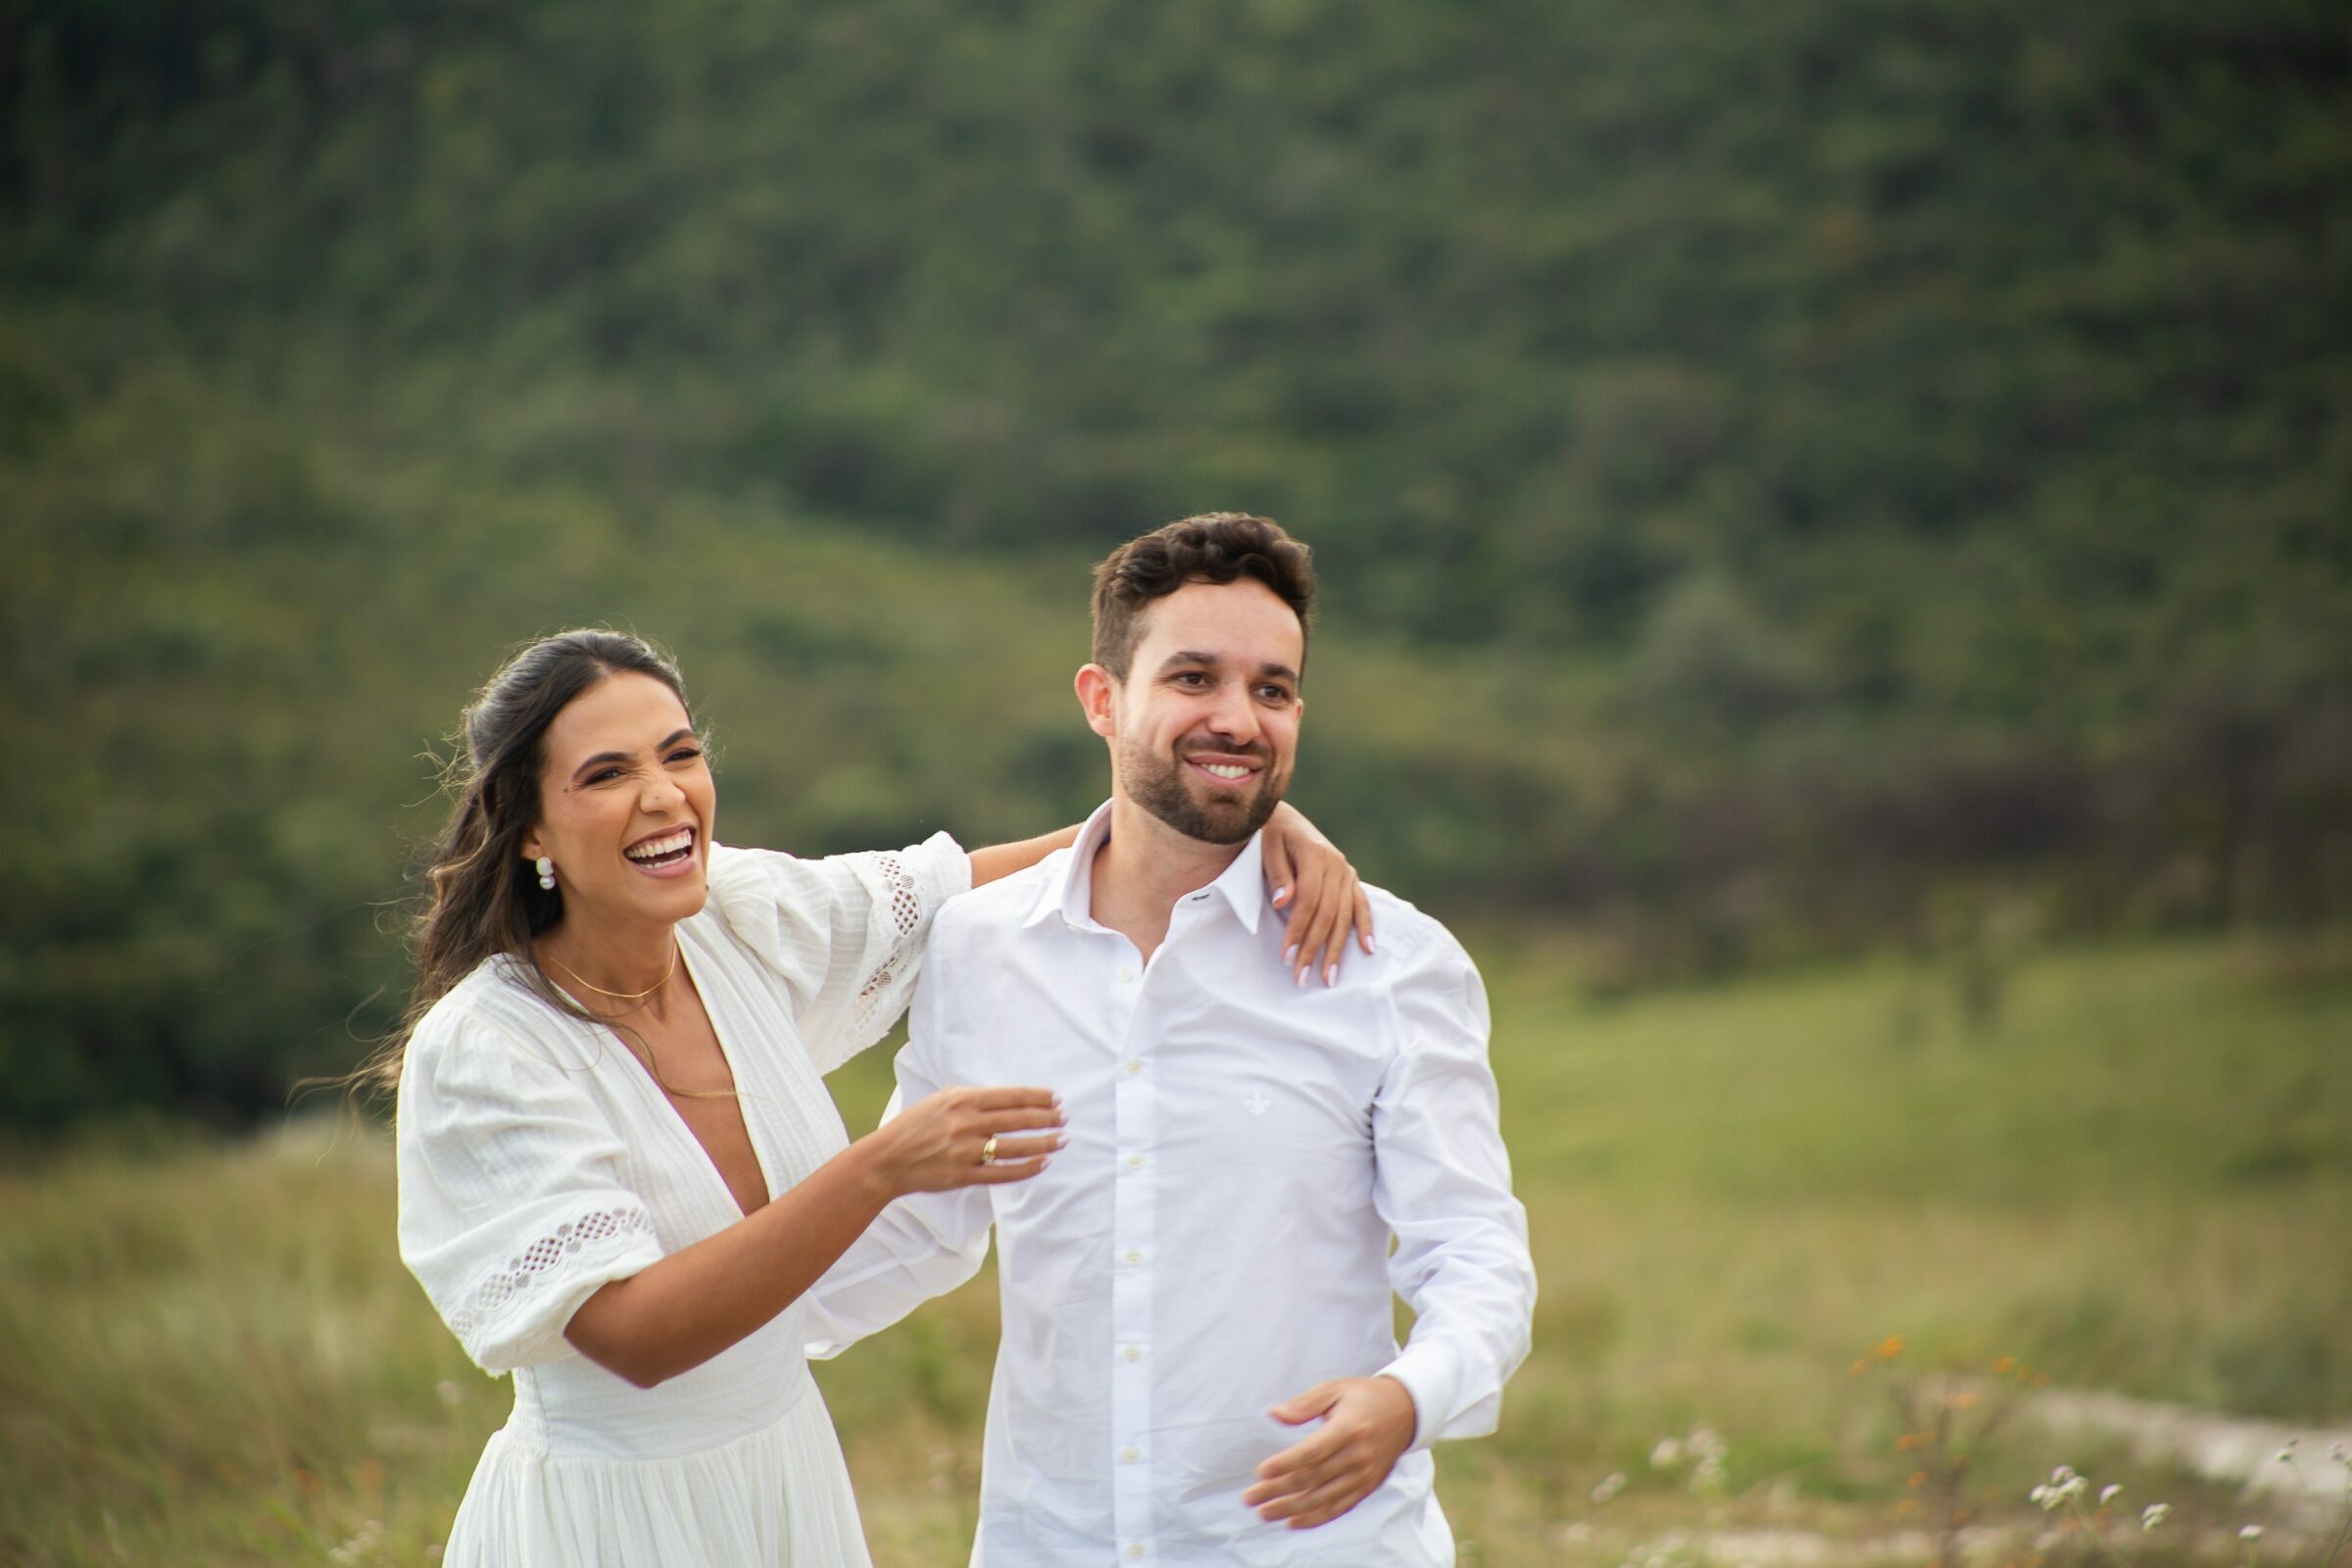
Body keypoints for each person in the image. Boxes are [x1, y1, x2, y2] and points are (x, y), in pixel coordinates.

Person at [383, 628, 1371, 1567]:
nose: (663, 797)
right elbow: (638, 1340)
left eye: (679, 755)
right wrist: (882, 1165)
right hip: (607, 1516)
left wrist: (1248, 819)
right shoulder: (484, 1049)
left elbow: (969, 887)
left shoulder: (739, 915)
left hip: (789, 1481)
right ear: (526, 830)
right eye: (606, 775)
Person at [808, 514, 1537, 1566]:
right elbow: (922, 1229)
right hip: (1046, 1543)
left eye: (1273, 688)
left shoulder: (1393, 963)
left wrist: (1406, 1397)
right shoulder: (978, 948)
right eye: (1194, 678)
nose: (1238, 718)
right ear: (1103, 701)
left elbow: (1475, 1254)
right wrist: (686, 1331)